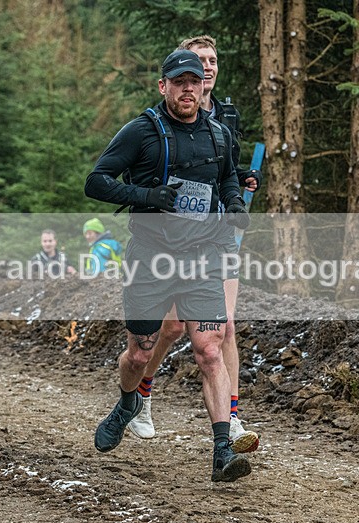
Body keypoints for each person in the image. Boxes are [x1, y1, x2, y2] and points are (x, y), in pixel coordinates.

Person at [84, 49, 252, 482]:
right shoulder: (142, 132)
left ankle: (221, 451)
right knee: (139, 353)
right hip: (152, 258)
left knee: (210, 349)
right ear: (164, 86)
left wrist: (233, 203)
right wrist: (146, 197)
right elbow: (96, 182)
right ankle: (127, 404)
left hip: (203, 256)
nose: (188, 89)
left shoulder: (217, 134)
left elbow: (228, 175)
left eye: (194, 82)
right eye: (179, 82)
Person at [127, 35, 262, 454]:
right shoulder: (160, 122)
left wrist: (242, 182)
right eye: (199, 60)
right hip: (170, 241)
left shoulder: (227, 117)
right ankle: (141, 396)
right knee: (168, 328)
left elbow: (224, 170)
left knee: (224, 329)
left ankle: (231, 419)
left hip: (218, 236)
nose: (207, 67)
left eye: (213, 60)